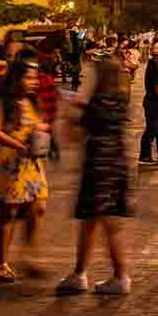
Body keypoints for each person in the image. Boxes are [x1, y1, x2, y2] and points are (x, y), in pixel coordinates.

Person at [57, 51, 133, 296]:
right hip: (117, 163)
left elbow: (72, 135)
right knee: (94, 220)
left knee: (107, 221)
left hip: (99, 164)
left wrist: (72, 110)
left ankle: (119, 275)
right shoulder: (120, 100)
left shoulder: (95, 104)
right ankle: (80, 272)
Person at [0, 55, 50, 283]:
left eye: (35, 78)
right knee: (8, 213)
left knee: (37, 207)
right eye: (29, 78)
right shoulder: (1, 102)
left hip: (31, 163)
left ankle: (29, 256)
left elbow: (35, 124)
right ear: (16, 78)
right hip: (9, 163)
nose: (34, 82)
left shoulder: (31, 101)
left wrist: (41, 131)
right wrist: (19, 145)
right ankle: (1, 264)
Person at [137, 43, 158, 166]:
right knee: (153, 128)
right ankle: (145, 155)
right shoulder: (155, 68)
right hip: (154, 103)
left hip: (156, 102)